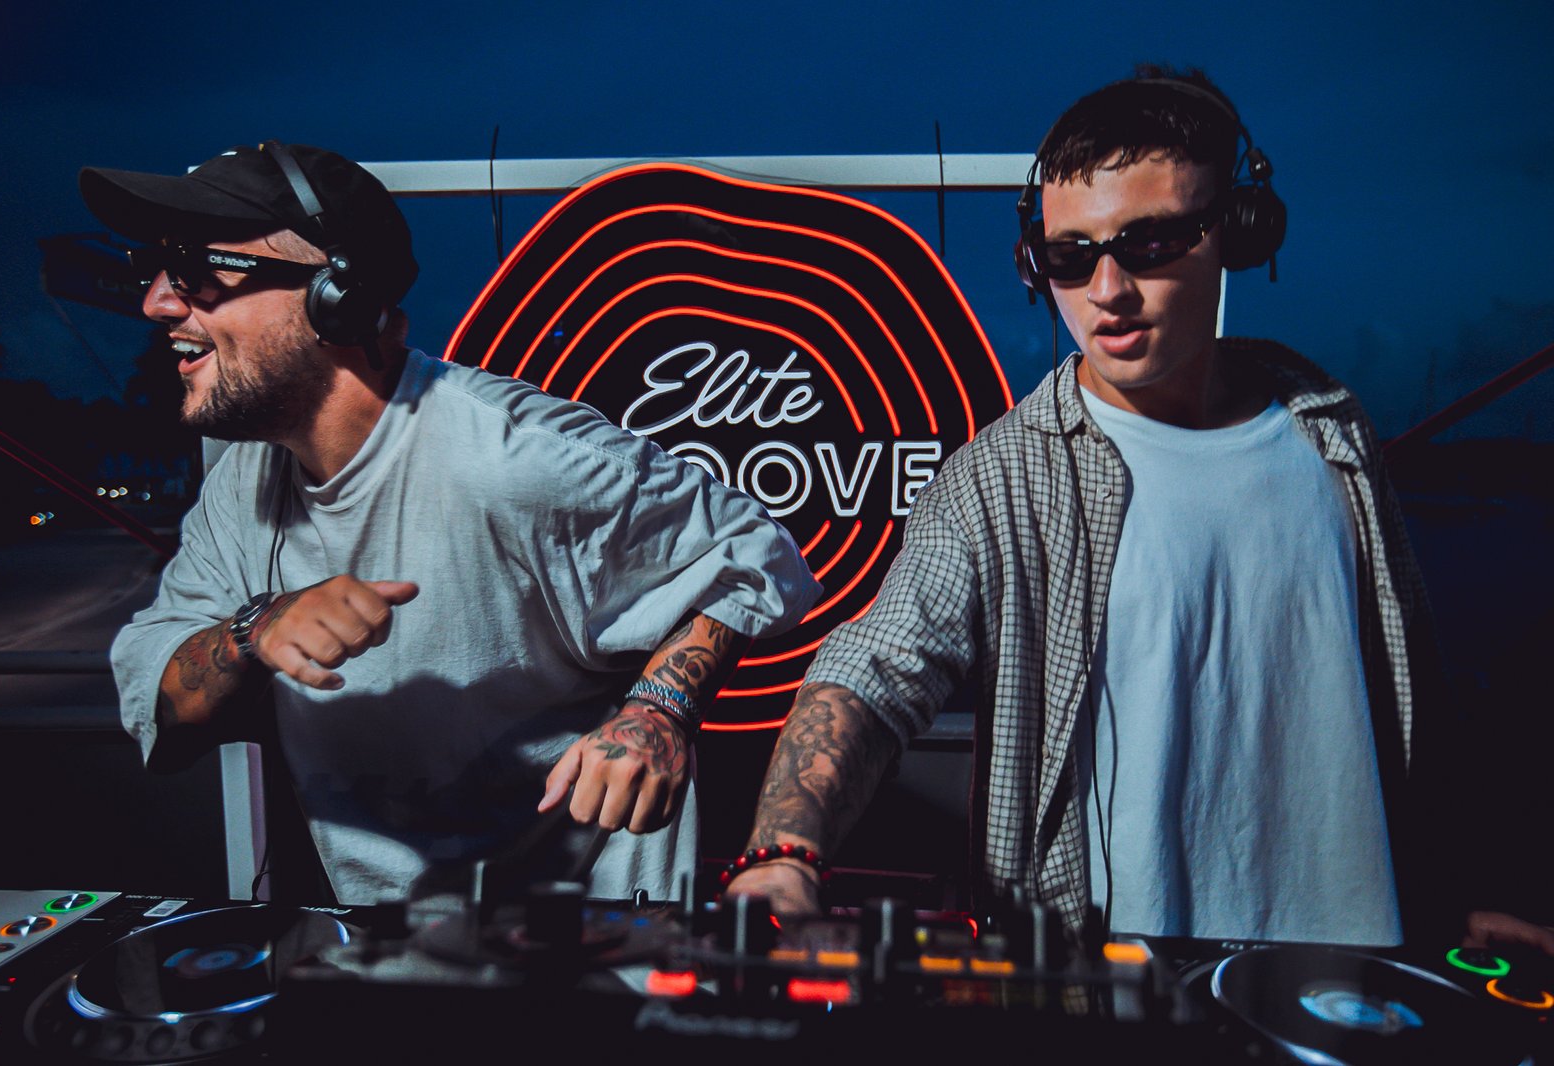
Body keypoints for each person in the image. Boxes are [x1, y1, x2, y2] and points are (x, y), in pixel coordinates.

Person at [726, 68, 1445, 947]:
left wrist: (1465, 890)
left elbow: (1413, 695)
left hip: (1362, 970)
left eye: (1148, 243)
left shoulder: (1331, 427)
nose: (1106, 289)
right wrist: (784, 854)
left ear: (1236, 231)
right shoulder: (1001, 479)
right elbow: (874, 674)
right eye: (1068, 256)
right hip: (1113, 981)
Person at [89, 141, 821, 905]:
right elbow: (157, 690)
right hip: (382, 943)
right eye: (158, 268)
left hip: (593, 944)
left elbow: (754, 552)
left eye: (200, 269)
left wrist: (660, 712)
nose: (159, 304)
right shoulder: (240, 484)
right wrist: (255, 629)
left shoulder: (513, 458)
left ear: (338, 297)